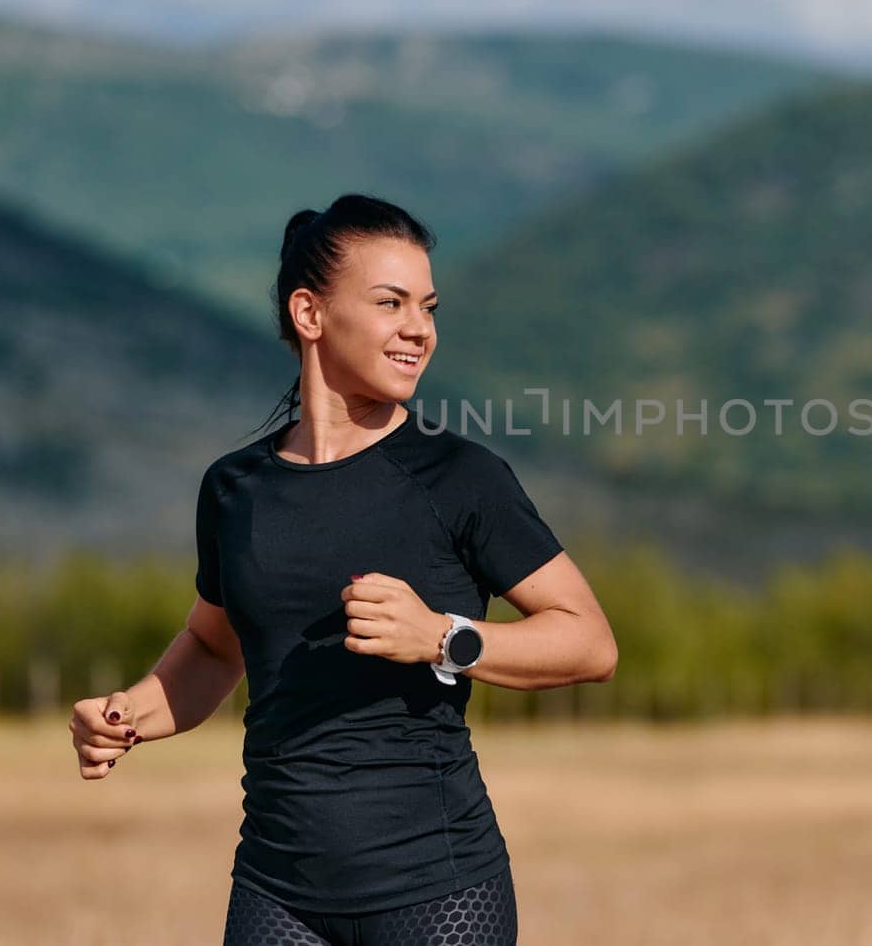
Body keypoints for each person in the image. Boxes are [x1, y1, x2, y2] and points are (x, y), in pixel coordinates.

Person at [68, 195, 618, 946]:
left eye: (427, 306)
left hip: (440, 895)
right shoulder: (235, 489)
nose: (419, 329)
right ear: (310, 313)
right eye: (390, 303)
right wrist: (126, 714)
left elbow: (590, 641)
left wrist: (442, 636)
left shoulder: (460, 476)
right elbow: (213, 646)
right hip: (276, 891)